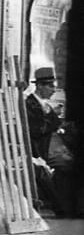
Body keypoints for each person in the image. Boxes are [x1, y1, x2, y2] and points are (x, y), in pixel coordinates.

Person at [26, 66, 76, 217]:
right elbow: (37, 130)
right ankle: (62, 208)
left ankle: (67, 207)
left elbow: (54, 125)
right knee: (69, 164)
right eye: (50, 86)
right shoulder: (30, 104)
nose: (53, 90)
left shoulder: (45, 105)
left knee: (72, 162)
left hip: (50, 147)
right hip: (39, 150)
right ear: (39, 86)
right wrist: (53, 116)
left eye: (54, 86)